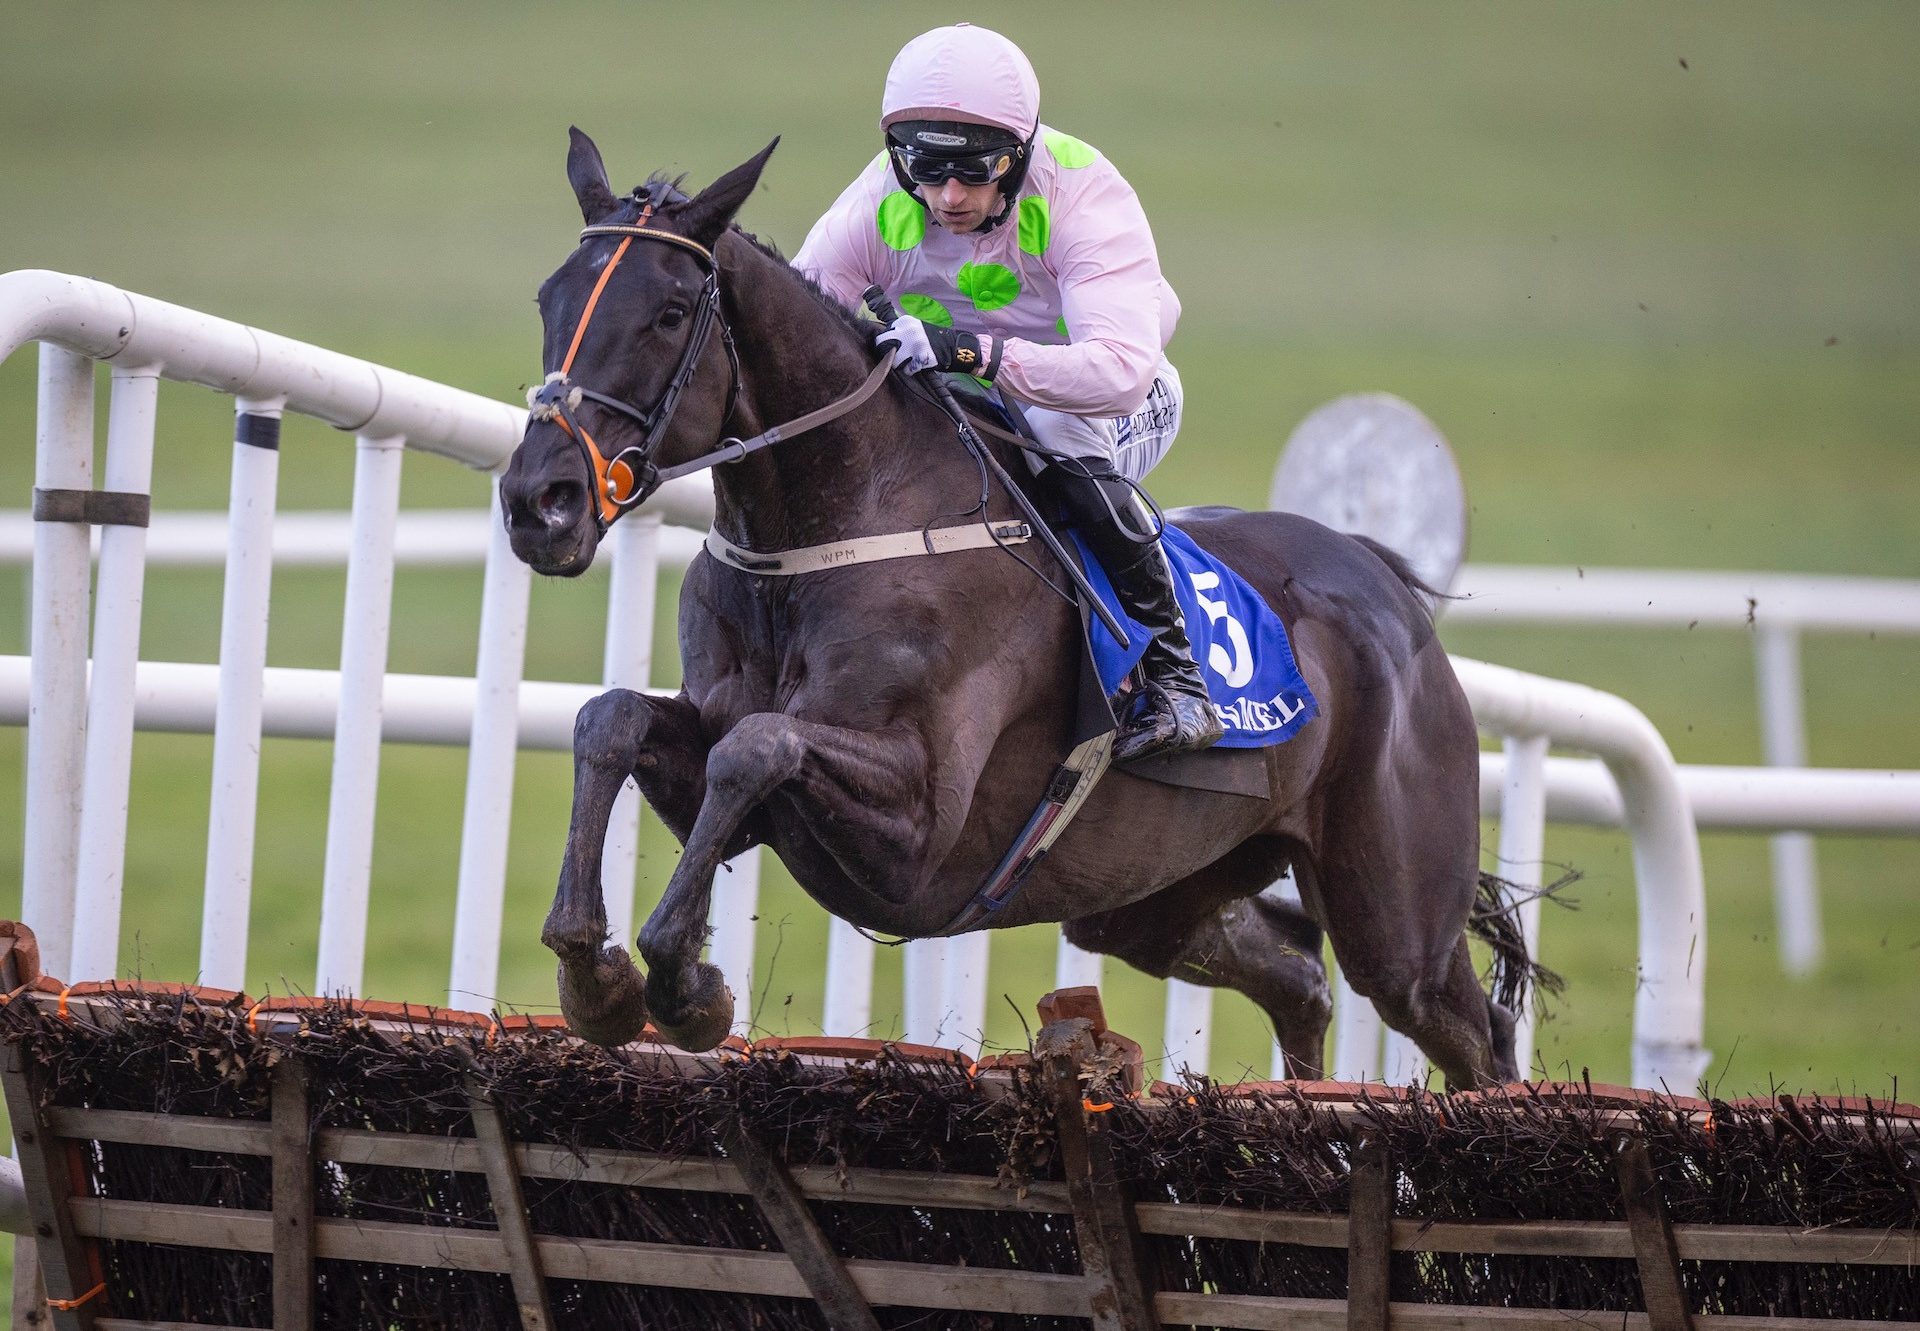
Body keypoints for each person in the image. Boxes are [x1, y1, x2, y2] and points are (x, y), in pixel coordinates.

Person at [794, 22, 1223, 764]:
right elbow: (798, 329)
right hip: (962, 394)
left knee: (1054, 434)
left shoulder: (1084, 193)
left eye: (975, 171)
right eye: (927, 171)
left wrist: (973, 352)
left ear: (1019, 154)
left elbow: (1118, 374)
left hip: (1103, 396)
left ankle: (1177, 675)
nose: (949, 196)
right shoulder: (877, 204)